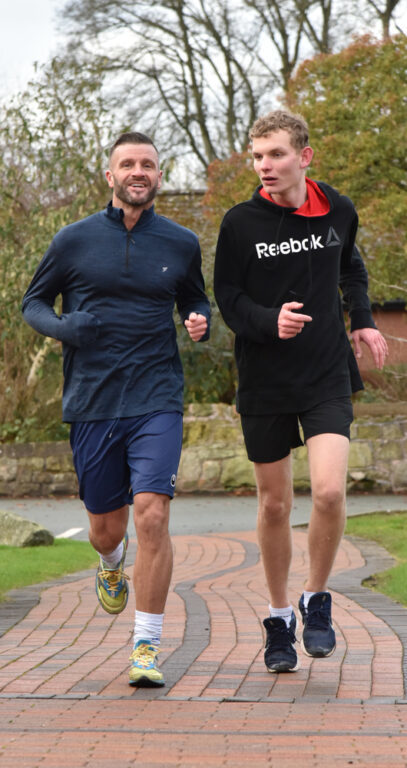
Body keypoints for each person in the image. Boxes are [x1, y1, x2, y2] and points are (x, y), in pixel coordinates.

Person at [22, 131, 210, 687]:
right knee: (107, 529)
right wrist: (62, 328)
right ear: (110, 176)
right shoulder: (72, 240)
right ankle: (109, 563)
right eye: (127, 164)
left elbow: (194, 297)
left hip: (157, 396)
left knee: (153, 511)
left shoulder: (180, 242)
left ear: (158, 176)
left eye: (147, 164)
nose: (138, 172)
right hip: (93, 401)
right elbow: (33, 302)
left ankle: (146, 647)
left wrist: (198, 318)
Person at [214, 109, 388, 673]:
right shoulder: (240, 223)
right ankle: (278, 617)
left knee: (332, 493)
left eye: (276, 155)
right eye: (258, 155)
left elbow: (351, 265)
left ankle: (316, 600)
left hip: (325, 372)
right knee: (275, 503)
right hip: (265, 375)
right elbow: (228, 297)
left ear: (304, 157)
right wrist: (269, 322)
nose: (264, 165)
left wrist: (361, 318)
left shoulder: (337, 208)